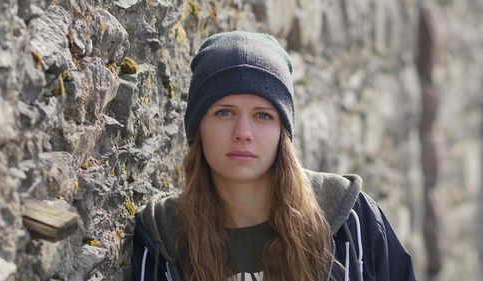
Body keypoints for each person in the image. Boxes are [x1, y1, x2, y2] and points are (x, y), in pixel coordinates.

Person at [131, 31, 417, 281]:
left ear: (283, 133)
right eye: (224, 112)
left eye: (263, 115)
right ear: (198, 128)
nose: (243, 132)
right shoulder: (163, 237)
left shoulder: (350, 220)